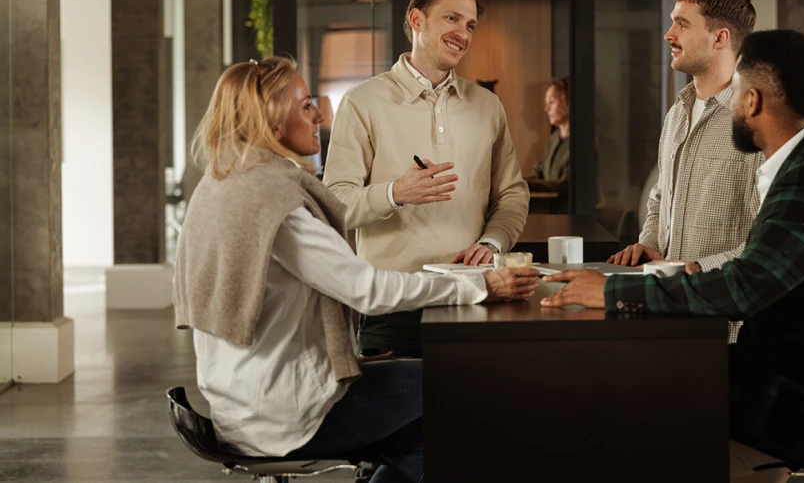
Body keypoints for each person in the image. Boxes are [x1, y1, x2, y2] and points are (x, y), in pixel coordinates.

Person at [541, 30, 804, 481]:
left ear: (751, 101)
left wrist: (617, 291)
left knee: (632, 411)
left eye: (734, 94)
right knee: (649, 390)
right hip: (800, 379)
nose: (729, 105)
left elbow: (742, 286)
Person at [173, 57, 539, 483]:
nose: (319, 115)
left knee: (425, 431)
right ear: (273, 122)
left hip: (241, 396)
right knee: (462, 389)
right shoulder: (277, 205)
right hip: (280, 412)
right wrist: (479, 287)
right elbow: (366, 289)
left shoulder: (223, 182)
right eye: (306, 105)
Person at [324, 0, 530, 357]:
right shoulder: (361, 102)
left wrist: (492, 241)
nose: (463, 34)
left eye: (470, 25)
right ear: (417, 20)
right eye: (451, 19)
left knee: (473, 416)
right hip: (391, 304)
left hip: (473, 300)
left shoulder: (487, 106)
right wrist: (394, 193)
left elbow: (513, 194)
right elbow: (335, 203)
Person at [607, 0, 761, 344]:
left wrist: (693, 269)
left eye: (682, 23)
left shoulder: (756, 122)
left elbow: (764, 242)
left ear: (720, 37)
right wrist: (650, 244)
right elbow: (662, 194)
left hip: (726, 330)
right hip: (672, 314)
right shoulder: (678, 110)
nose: (668, 34)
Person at [526, 76, 571, 204]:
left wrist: (519, 185)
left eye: (551, 102)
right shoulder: (554, 138)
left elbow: (565, 185)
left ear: (567, 102)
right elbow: (538, 172)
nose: (547, 109)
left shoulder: (581, 142)